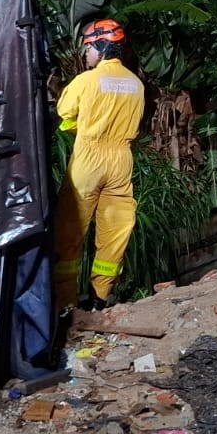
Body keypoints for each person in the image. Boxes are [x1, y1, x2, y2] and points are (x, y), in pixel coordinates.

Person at [54, 19, 146, 313]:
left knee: (71, 230)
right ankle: (100, 299)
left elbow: (64, 113)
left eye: (88, 48)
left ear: (101, 47)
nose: (85, 54)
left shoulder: (86, 81)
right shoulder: (136, 84)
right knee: (116, 229)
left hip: (89, 160)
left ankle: (66, 303)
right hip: (121, 159)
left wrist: (78, 127)